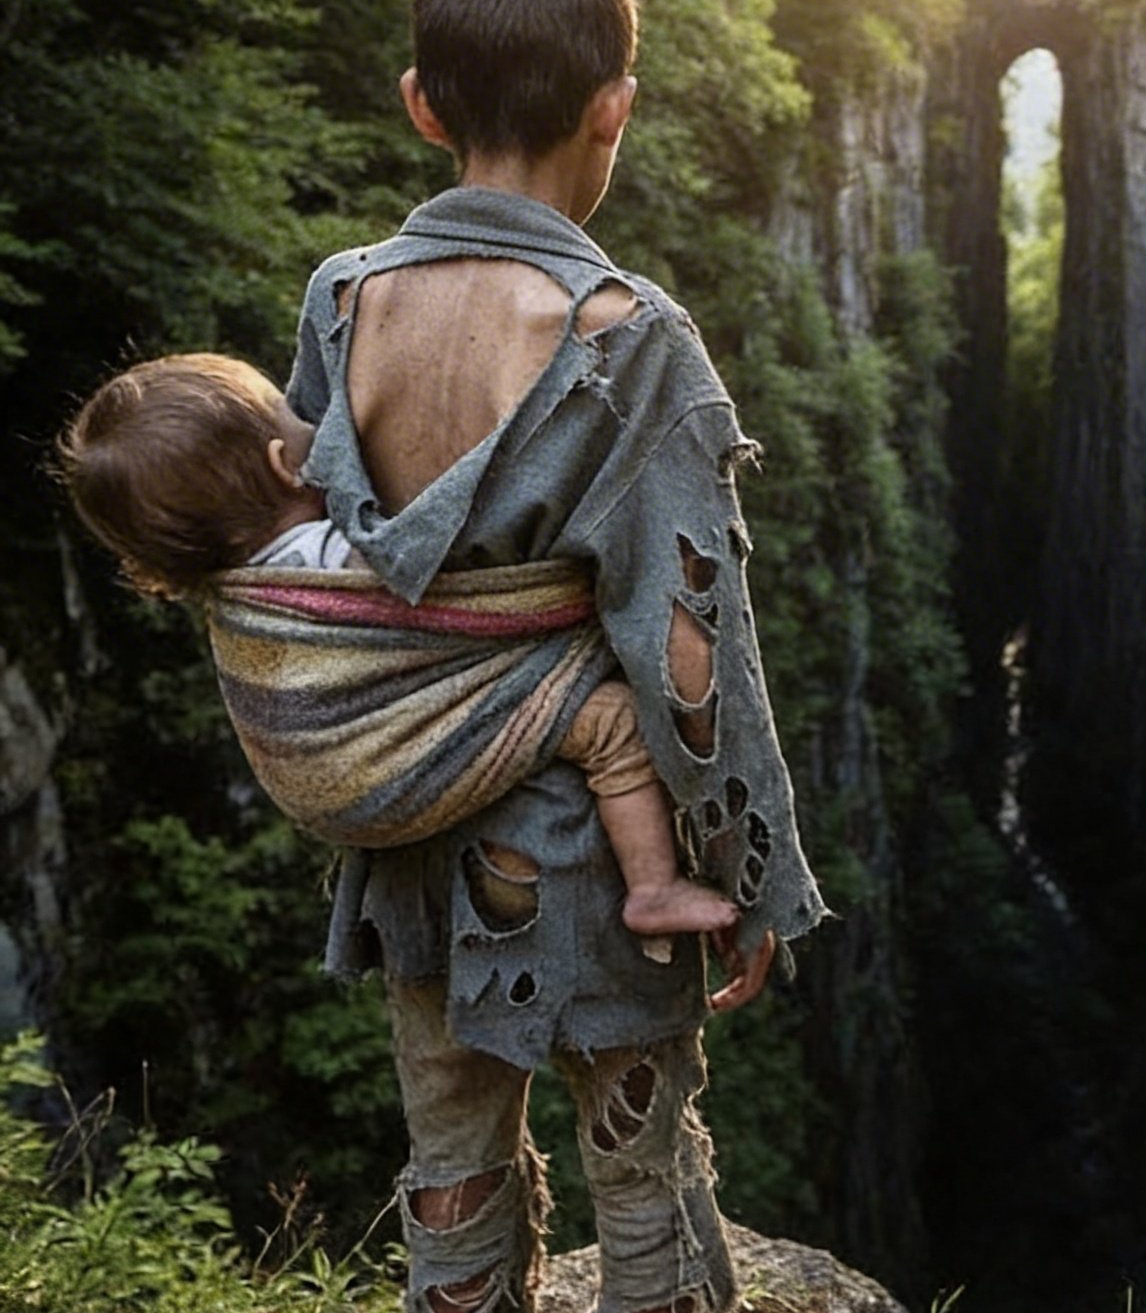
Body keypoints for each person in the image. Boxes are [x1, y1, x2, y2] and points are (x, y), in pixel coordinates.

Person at [283, 0, 826, 1313]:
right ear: (614, 109)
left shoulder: (339, 296)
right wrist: (738, 878)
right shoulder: (626, 338)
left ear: (418, 107)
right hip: (595, 853)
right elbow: (688, 643)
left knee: (453, 1169)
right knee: (633, 1142)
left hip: (417, 838)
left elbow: (321, 531)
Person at [54, 352, 741, 952]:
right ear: (285, 465)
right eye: (298, 422)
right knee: (612, 721)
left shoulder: (240, 593)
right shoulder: (332, 559)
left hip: (329, 801)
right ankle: (652, 888)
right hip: (380, 774)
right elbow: (440, 551)